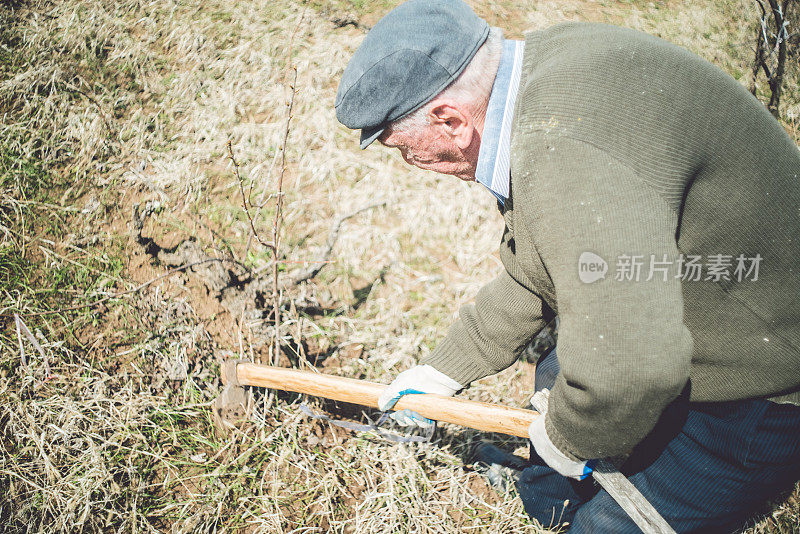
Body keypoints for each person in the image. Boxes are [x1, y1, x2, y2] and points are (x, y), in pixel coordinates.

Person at [334, 0, 800, 531]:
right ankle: (560, 491)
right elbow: (543, 268)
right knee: (557, 402)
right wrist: (444, 370)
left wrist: (568, 439)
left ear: (450, 121)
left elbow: (632, 366)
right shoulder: (541, 73)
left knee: (602, 521)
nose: (411, 164)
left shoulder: (564, 154)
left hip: (760, 377)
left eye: (406, 151)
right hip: (683, 296)